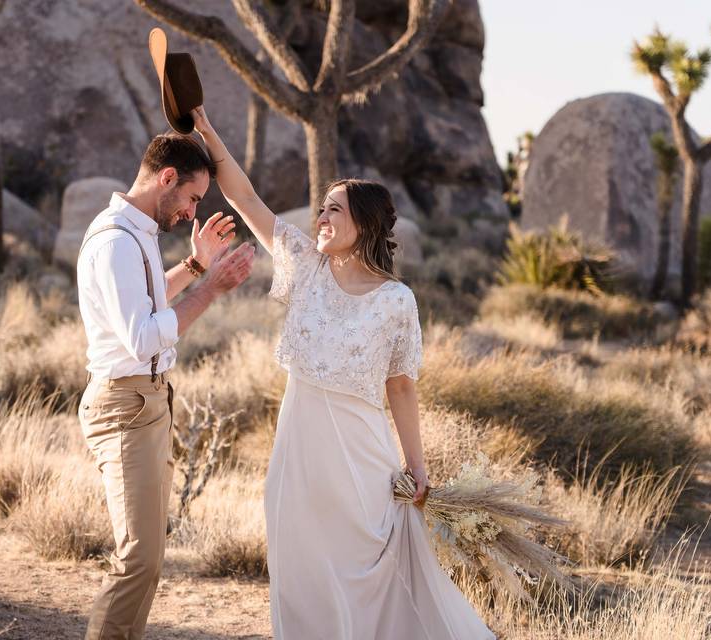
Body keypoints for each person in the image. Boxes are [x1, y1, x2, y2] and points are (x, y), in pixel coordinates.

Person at [191, 105, 496, 640]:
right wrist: (209, 133)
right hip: (297, 455)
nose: (322, 219)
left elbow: (400, 386)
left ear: (366, 224)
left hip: (362, 462)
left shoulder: (397, 301)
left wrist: (417, 467)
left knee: (365, 576)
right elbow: (245, 198)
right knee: (299, 571)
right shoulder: (305, 266)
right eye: (323, 210)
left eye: (335, 211)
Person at [76, 132, 256, 640]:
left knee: (148, 559)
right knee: (138, 560)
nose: (191, 211)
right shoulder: (115, 241)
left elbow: (152, 298)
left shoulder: (136, 234)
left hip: (146, 403)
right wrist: (211, 289)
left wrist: (197, 264)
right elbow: (141, 337)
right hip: (125, 405)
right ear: (167, 178)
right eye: (194, 198)